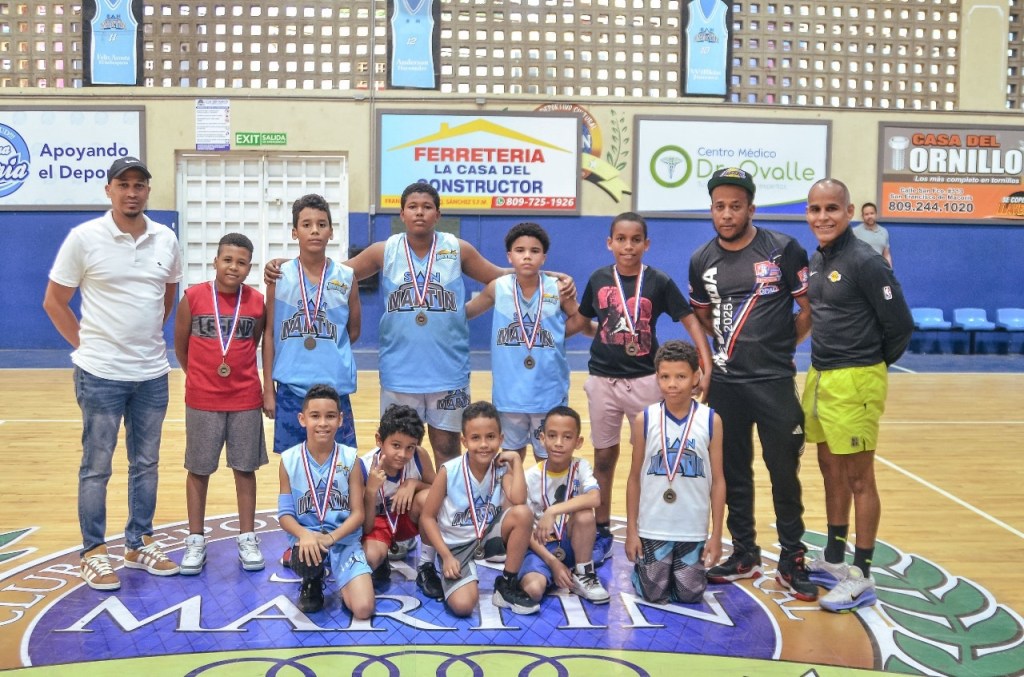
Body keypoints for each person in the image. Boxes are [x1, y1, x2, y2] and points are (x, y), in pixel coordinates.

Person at [264, 182, 573, 468]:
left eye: (427, 206)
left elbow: (501, 275)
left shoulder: (457, 249)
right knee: (398, 449)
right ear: (401, 214)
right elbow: (330, 275)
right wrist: (283, 267)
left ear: (438, 214)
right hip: (400, 372)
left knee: (447, 447)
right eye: (412, 206)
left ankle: (444, 516)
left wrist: (551, 277)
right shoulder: (385, 251)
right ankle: (403, 518)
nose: (420, 211)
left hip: (448, 370)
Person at [43, 156, 182, 591]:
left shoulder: (165, 239)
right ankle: (93, 551)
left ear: (147, 191)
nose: (132, 192)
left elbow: (169, 294)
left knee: (146, 464)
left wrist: (145, 338)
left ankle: (138, 543)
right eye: (124, 184)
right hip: (100, 374)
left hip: (152, 373)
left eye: (140, 184)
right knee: (96, 465)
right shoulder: (84, 238)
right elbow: (55, 301)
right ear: (109, 190)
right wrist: (88, 347)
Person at [688, 167, 817, 601]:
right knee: (732, 471)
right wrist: (722, 348)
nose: (727, 214)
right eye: (720, 206)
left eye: (736, 206)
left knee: (784, 471)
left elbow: (807, 309)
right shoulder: (702, 259)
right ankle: (743, 551)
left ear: (751, 208)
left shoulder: (783, 250)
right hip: (727, 384)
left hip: (775, 381)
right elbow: (703, 315)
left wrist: (783, 346)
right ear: (712, 209)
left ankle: (792, 558)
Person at [803, 179, 913, 613]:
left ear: (849, 212)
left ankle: (862, 575)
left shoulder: (866, 261)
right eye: (815, 209)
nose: (823, 217)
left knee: (859, 477)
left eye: (832, 208)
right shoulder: (818, 258)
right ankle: (833, 558)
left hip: (857, 379)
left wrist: (870, 365)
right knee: (829, 467)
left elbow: (900, 324)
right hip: (821, 375)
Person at [578, 211, 713, 563]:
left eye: (635, 239)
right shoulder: (596, 279)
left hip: (646, 382)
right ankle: (603, 528)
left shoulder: (659, 281)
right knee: (603, 458)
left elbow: (690, 320)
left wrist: (705, 361)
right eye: (620, 239)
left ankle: (654, 527)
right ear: (609, 243)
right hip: (603, 380)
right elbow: (580, 321)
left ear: (646, 244)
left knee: (652, 459)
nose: (628, 246)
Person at [174, 233, 268, 575]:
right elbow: (181, 346)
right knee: (198, 470)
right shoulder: (193, 297)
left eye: (241, 262)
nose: (234, 267)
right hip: (202, 398)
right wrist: (200, 378)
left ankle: (247, 537)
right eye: (227, 260)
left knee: (245, 469)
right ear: (215, 262)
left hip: (245, 398)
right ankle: (195, 540)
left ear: (248, 267)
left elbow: (254, 342)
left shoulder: (257, 302)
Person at [465, 222, 594, 461]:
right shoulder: (498, 288)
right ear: (509, 256)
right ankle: (514, 500)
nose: (527, 256)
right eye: (520, 250)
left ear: (544, 258)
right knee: (511, 458)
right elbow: (467, 313)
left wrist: (556, 332)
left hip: (548, 391)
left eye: (534, 251)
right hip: (509, 395)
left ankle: (545, 499)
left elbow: (579, 319)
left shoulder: (557, 288)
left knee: (548, 459)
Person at [625, 340, 724, 604]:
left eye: (681, 376)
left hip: (692, 525)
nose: (672, 384)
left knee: (690, 594)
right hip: (653, 525)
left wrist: (716, 535)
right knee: (653, 594)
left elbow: (718, 481)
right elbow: (634, 478)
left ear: (696, 377)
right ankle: (643, 572)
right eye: (665, 377)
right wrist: (632, 531)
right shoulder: (644, 419)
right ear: (657, 378)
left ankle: (674, 570)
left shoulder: (710, 420)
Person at [418, 401, 538, 617]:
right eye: (476, 438)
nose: (484, 444)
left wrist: (517, 463)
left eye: (490, 437)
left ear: (501, 439)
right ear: (464, 441)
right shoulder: (450, 471)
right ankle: (448, 569)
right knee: (463, 606)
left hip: (488, 537)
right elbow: (427, 517)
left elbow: (519, 499)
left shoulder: (503, 468)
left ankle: (507, 583)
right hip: (456, 546)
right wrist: (445, 556)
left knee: (523, 514)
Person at [263, 193, 360, 454]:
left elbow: (353, 331)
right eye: (306, 225)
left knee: (341, 465)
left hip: (334, 389)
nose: (314, 230)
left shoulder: (347, 277)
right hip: (290, 390)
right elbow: (269, 334)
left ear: (331, 232)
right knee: (293, 466)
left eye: (322, 224)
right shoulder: (279, 276)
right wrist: (268, 390)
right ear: (295, 233)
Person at [277, 384, 374, 617]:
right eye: (315, 416)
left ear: (341, 420)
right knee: (306, 551)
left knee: (363, 609)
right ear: (302, 419)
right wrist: (304, 534)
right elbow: (285, 515)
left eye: (330, 416)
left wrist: (331, 538)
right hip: (308, 541)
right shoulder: (289, 460)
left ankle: (343, 572)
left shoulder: (350, 459)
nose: (322, 423)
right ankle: (312, 578)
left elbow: (358, 514)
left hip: (342, 540)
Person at [519, 406, 609, 604]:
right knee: (534, 590)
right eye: (552, 436)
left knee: (585, 514)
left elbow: (595, 498)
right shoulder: (530, 477)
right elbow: (524, 532)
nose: (559, 443)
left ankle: (583, 573)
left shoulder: (581, 467)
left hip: (570, 542)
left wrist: (552, 511)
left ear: (578, 442)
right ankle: (553, 571)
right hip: (541, 547)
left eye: (567, 437)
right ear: (542, 439)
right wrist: (553, 563)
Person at [359, 404, 443, 599]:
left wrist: (414, 484)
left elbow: (438, 491)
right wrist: (371, 491)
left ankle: (426, 566)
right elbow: (364, 525)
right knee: (370, 558)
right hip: (375, 524)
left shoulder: (419, 456)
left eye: (409, 447)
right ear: (379, 440)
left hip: (405, 517)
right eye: (396, 445)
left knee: (428, 498)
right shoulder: (363, 467)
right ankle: (381, 561)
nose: (403, 454)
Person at [852, 202, 893, 268]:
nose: (869, 216)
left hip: (878, 270)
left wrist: (889, 270)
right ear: (862, 216)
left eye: (872, 213)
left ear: (876, 214)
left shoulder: (884, 231)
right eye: (866, 214)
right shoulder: (854, 232)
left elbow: (886, 254)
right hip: (860, 271)